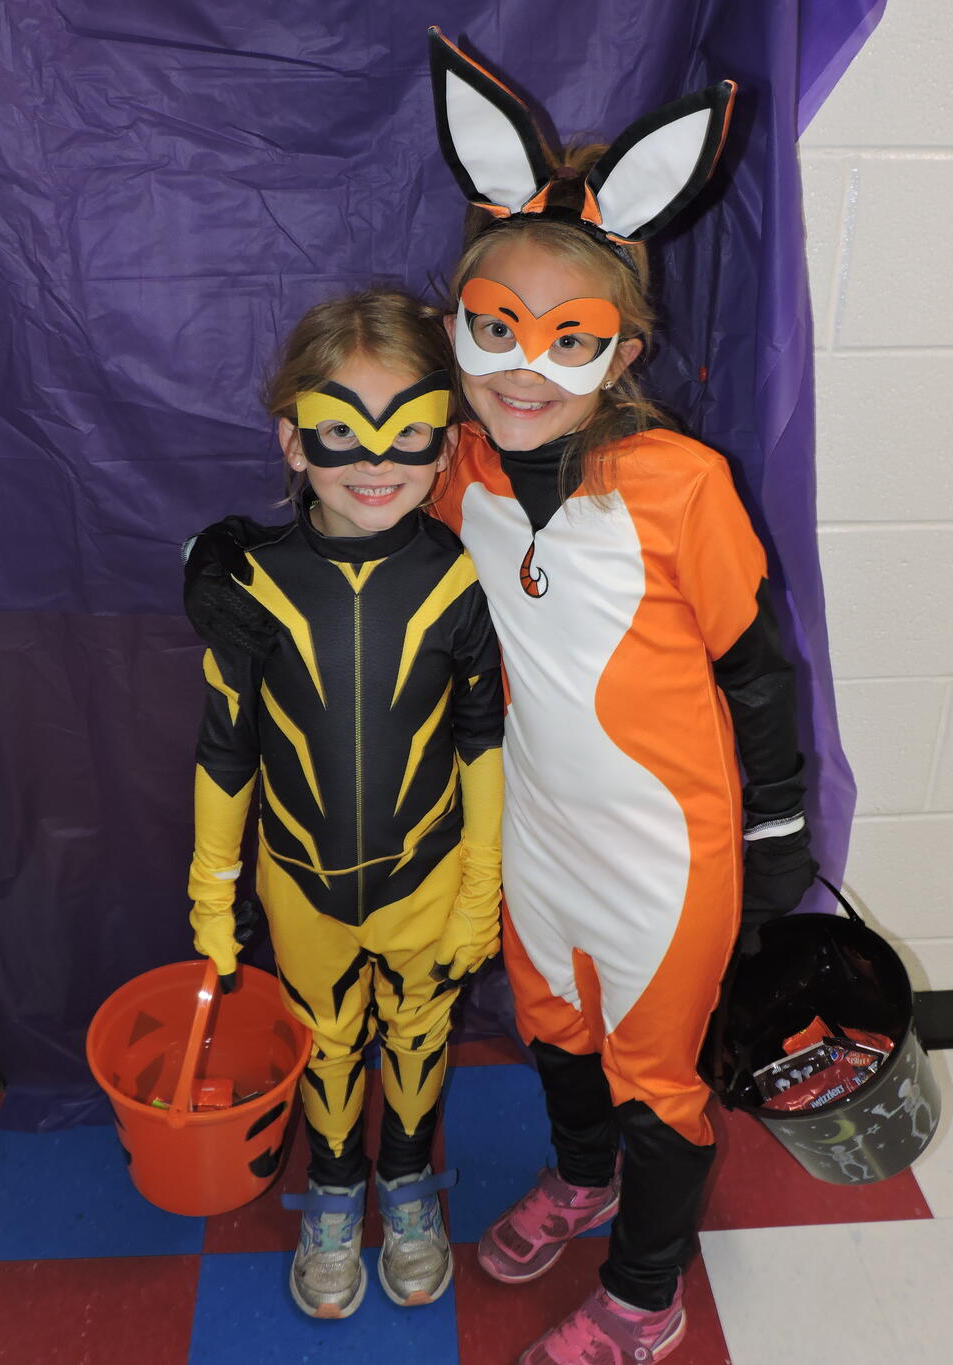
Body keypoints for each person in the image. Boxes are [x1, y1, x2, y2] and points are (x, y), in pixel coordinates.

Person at [427, 30, 817, 1365]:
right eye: (494, 329)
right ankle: (582, 1177)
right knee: (554, 1028)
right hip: (535, 837)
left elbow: (756, 668)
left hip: (665, 854)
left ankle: (646, 1296)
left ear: (624, 347)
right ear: (456, 325)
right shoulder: (456, 466)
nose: (524, 370)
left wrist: (777, 833)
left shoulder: (681, 486)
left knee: (660, 1079)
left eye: (569, 340)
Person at [182, 288, 504, 1320]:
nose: (376, 462)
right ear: (292, 439)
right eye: (340, 431)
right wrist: (212, 889)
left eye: (409, 434)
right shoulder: (250, 585)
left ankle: (404, 1180)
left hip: (428, 877)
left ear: (445, 444)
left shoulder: (461, 579)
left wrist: (479, 889)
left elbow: (482, 743)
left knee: (417, 1034)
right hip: (300, 884)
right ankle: (332, 1189)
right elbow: (226, 747)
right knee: (324, 1040)